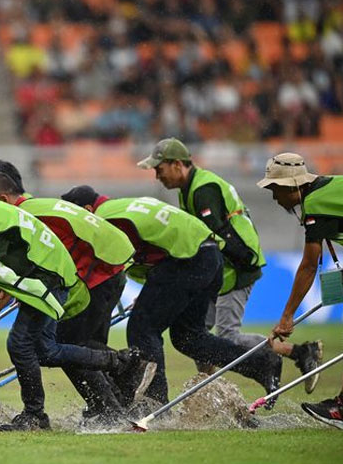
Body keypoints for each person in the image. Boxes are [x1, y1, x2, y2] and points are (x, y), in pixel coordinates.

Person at [0, 173, 153, 431]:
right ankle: (121, 363)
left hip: (50, 278)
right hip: (38, 276)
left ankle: (35, 414)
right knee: (46, 350)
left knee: (20, 344)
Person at [63, 186, 283, 408]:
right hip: (209, 254)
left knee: (142, 329)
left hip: (187, 259)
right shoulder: (122, 205)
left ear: (88, 209)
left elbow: (108, 271)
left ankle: (154, 404)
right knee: (189, 338)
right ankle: (262, 364)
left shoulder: (103, 218)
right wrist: (154, 291)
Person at [138, 138, 322, 391]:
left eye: (159, 169)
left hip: (236, 266)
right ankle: (209, 386)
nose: (157, 176)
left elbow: (212, 237)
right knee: (197, 333)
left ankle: (291, 355)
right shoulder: (193, 187)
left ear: (177, 164)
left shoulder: (202, 190)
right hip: (226, 267)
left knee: (223, 335)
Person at [0, 171, 140, 423]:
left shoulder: (24, 215)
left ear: (3, 199)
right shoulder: (36, 205)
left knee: (65, 342)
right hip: (111, 266)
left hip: (99, 270)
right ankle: (121, 387)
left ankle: (110, 404)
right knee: (78, 342)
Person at [257, 152, 343, 429]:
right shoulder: (331, 189)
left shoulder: (316, 202)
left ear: (293, 186)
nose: (274, 198)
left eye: (276, 190)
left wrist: (287, 316)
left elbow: (308, 265)